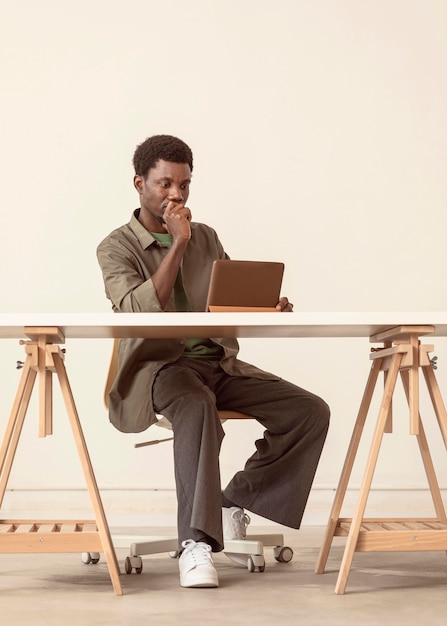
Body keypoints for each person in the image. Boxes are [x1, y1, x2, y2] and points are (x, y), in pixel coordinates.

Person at [97, 134, 330, 589]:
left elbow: (225, 302)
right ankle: (195, 542)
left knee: (308, 411)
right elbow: (138, 315)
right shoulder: (116, 247)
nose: (176, 195)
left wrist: (263, 306)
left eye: (184, 185)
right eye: (165, 184)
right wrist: (178, 243)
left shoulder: (208, 237)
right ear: (139, 183)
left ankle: (229, 502)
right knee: (195, 405)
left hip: (219, 363)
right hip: (159, 367)